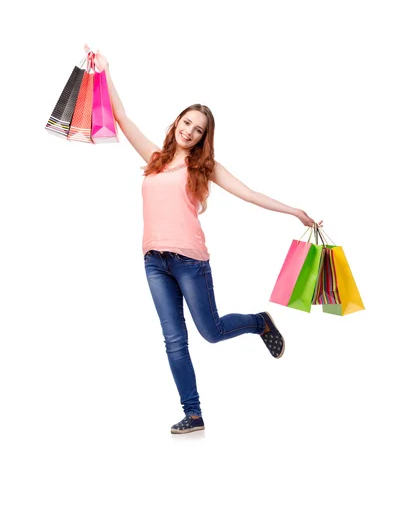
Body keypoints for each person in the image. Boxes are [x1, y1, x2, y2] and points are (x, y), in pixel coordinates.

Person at [83, 45, 323, 434]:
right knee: (174, 341)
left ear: (202, 137)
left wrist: (294, 211)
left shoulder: (205, 166)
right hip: (153, 262)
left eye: (198, 129)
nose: (190, 131)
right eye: (187, 123)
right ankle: (193, 414)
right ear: (178, 121)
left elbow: (250, 193)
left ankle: (259, 322)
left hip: (190, 262)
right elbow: (122, 117)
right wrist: (106, 70)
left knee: (210, 333)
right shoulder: (156, 157)